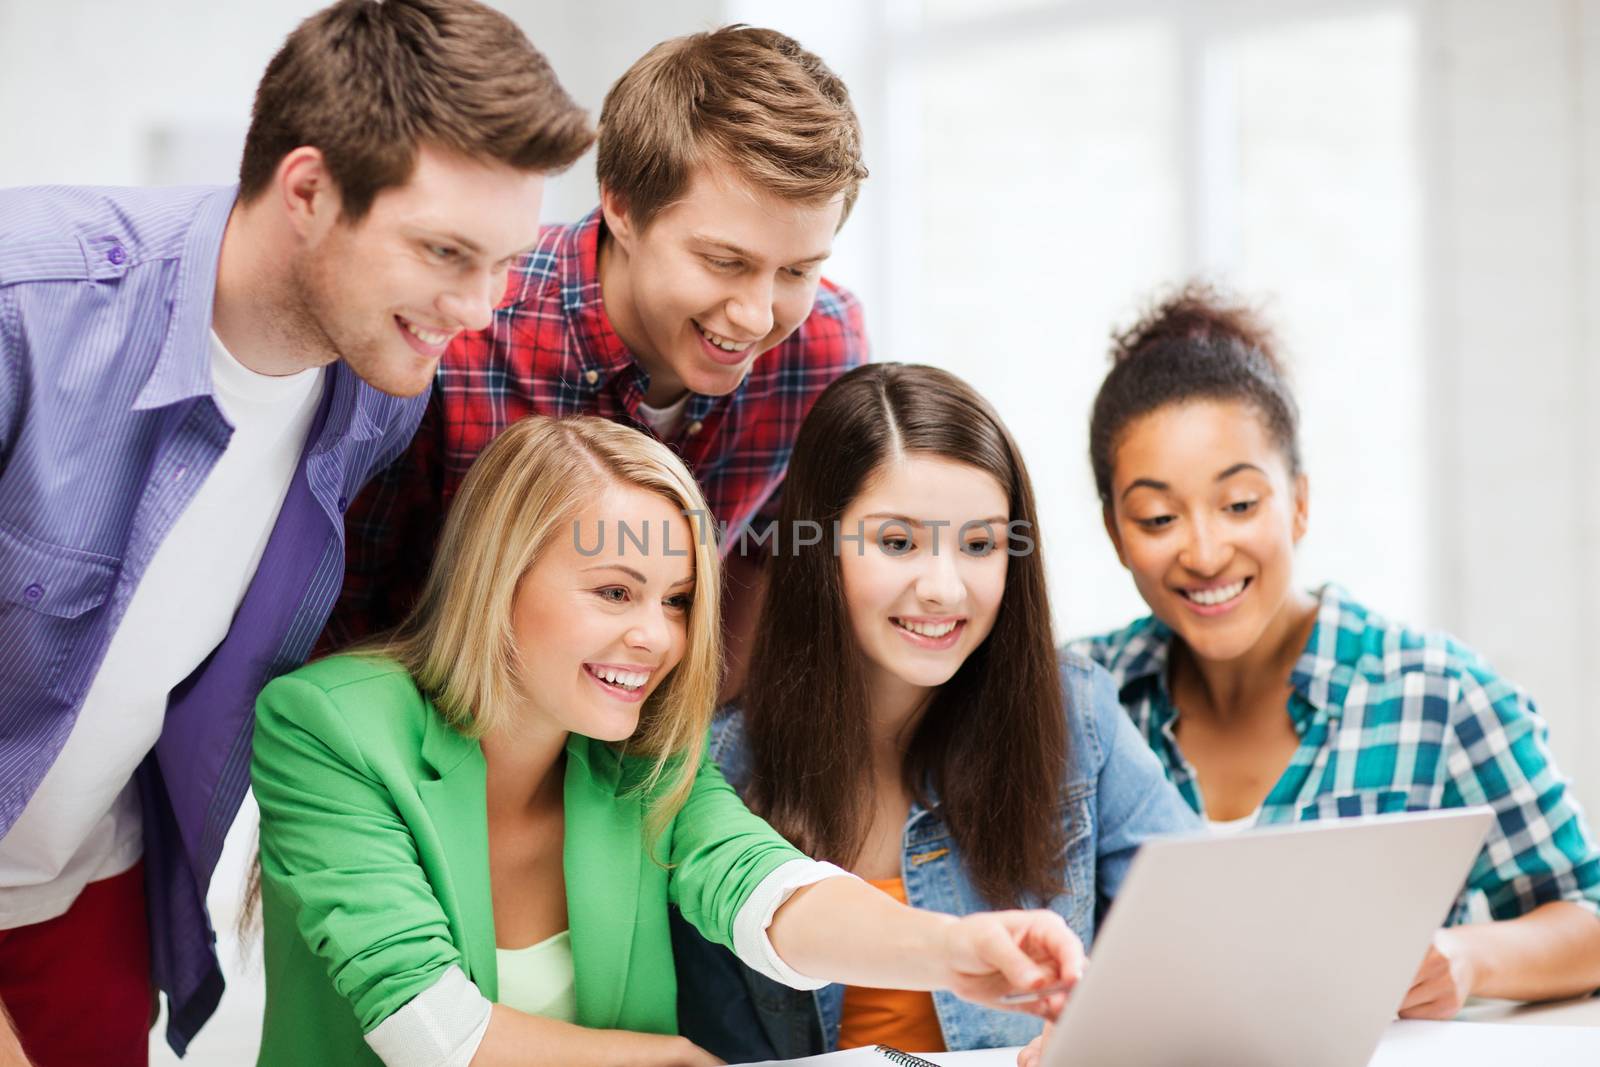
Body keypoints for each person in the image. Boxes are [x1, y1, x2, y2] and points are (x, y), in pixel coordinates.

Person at [0, 1, 592, 1061]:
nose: (480, 308)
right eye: (446, 251)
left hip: (83, 890)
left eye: (505, 261)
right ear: (309, 190)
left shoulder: (379, 392)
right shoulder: (24, 309)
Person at [252, 415, 1083, 1067]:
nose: (658, 637)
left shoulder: (640, 757)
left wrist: (950, 948)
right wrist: (669, 1060)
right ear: (497, 581)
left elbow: (769, 889)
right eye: (616, 591)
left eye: (678, 600)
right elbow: (432, 1032)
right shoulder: (328, 727)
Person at [1070, 286, 1600, 1019]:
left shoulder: (1436, 696)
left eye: (1240, 504)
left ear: (1301, 502)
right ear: (1115, 532)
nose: (1204, 550)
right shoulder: (1081, 700)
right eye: (1158, 517)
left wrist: (1469, 957)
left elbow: (1588, 913)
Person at [670, 363, 1198, 1062]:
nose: (944, 587)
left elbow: (1205, 935)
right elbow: (725, 1048)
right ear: (819, 547)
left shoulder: (1079, 715)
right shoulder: (720, 769)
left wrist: (1108, 1033)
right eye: (898, 543)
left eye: (980, 545)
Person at [327, 25, 872, 696]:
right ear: (621, 206)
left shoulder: (822, 346)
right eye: (723, 262)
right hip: (416, 744)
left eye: (796, 270)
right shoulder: (458, 331)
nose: (758, 317)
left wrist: (688, 745)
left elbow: (766, 556)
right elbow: (343, 611)